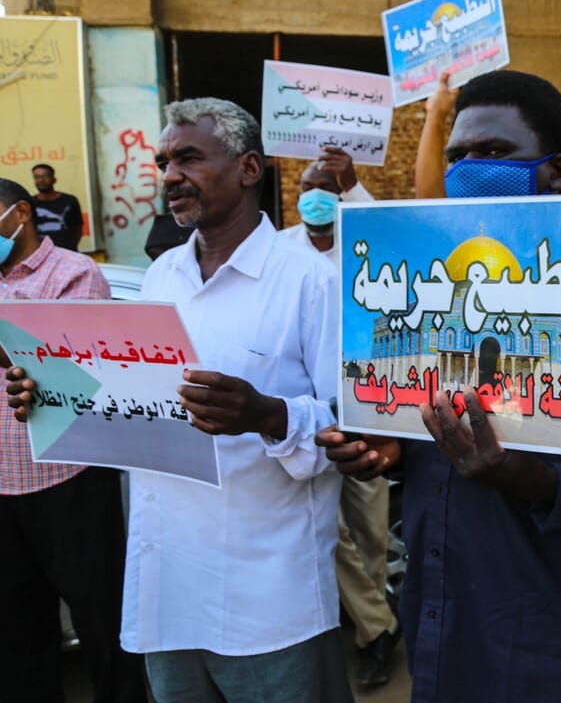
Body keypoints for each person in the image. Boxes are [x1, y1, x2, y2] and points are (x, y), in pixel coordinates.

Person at [318, 69, 561, 703]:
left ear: (556, 170)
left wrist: (538, 481)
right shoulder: (417, 296)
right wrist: (384, 447)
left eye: (493, 151)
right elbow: (402, 438)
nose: (468, 169)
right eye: (457, 156)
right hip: (443, 639)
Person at [10, 98, 352, 702]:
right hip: (166, 592)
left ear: (249, 168)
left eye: (189, 158)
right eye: (164, 162)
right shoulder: (163, 274)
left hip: (269, 600)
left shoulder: (311, 280)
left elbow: (352, 435)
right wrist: (51, 393)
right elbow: (135, 406)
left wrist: (267, 415)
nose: (170, 175)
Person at [0, 178, 146, 703]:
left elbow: (65, 366)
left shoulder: (74, 273)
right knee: (17, 632)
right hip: (2, 485)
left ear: (20, 213)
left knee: (102, 620)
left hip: (68, 477)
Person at [281, 155, 400, 688]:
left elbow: (388, 234)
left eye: (326, 187)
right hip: (309, 413)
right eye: (307, 187)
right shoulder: (282, 250)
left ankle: (371, 631)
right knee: (331, 531)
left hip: (368, 403)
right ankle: (379, 626)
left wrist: (353, 185)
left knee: (371, 531)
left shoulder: (364, 243)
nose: (314, 196)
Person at [31, 163, 83, 250]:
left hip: (67, 252)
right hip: (41, 254)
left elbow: (78, 228)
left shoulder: (70, 201)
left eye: (45, 176)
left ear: (54, 179)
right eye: (37, 177)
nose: (41, 180)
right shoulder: (29, 203)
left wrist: (71, 247)